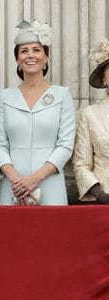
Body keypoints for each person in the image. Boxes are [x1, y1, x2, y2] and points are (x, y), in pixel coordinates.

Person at [0, 20, 75, 205]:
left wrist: (35, 178)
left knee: (51, 233)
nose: (30, 55)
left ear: (46, 57)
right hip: (13, 186)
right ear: (17, 59)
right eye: (24, 51)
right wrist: (17, 180)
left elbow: (65, 145)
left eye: (37, 50)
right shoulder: (5, 97)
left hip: (50, 184)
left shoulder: (62, 95)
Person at [73, 38, 109, 203]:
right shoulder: (90, 115)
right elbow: (81, 164)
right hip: (104, 199)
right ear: (103, 78)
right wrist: (101, 195)